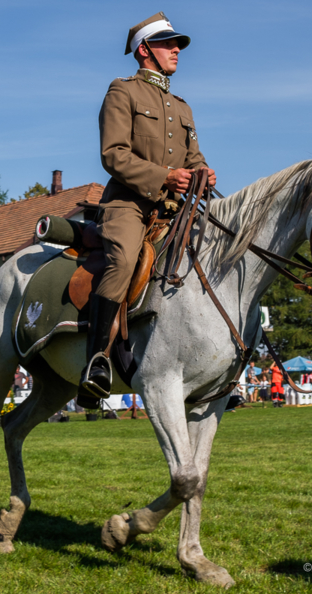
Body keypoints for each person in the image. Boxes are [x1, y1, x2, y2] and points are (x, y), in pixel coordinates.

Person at [79, 12, 216, 406]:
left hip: (173, 209)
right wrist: (166, 176)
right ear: (144, 50)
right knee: (122, 261)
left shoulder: (181, 106)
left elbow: (194, 157)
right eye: (168, 43)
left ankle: (211, 366)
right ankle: (96, 360)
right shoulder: (122, 92)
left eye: (178, 45)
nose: (177, 49)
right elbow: (113, 155)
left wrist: (202, 173)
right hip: (128, 204)